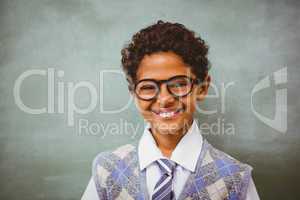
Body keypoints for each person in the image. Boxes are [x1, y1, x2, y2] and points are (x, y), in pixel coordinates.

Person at [81, 20, 260, 200]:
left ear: (203, 88)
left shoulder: (235, 179)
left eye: (179, 84)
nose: (165, 99)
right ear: (133, 93)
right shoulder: (108, 171)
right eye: (148, 87)